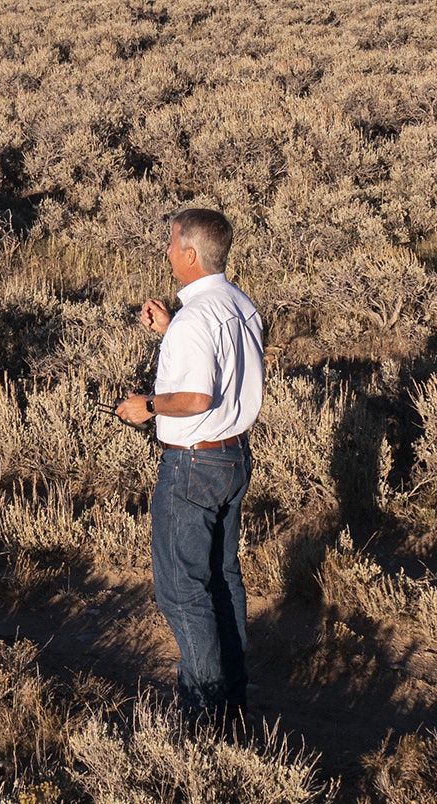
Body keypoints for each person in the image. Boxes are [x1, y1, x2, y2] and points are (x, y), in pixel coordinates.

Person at [115, 207, 264, 728]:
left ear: (191, 254)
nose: (167, 252)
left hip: (192, 465)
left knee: (183, 592)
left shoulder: (198, 317)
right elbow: (220, 367)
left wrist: (147, 407)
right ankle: (233, 706)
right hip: (232, 456)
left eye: (172, 243)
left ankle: (203, 721)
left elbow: (198, 394)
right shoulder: (239, 305)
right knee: (223, 582)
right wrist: (172, 329)